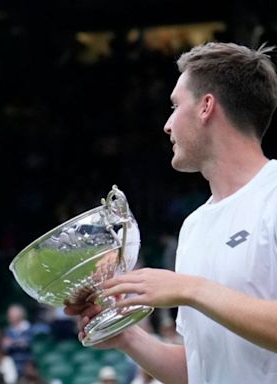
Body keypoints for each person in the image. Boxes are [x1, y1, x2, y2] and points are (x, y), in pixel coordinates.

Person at [64, 41, 277, 383]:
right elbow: (199, 370)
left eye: (176, 105)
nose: (167, 124)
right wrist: (127, 337)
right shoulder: (193, 227)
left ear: (206, 107)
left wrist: (191, 289)